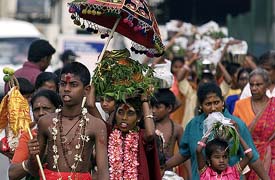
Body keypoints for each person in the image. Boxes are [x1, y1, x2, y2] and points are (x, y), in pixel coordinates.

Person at [163, 82, 269, 180]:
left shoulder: (236, 124)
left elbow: (253, 157)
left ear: (223, 102)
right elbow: (184, 153)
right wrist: (163, 167)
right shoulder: (193, 124)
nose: (213, 108)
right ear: (200, 106)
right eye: (208, 104)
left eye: (216, 102)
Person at [25, 62, 109, 179]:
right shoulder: (45, 122)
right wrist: (33, 156)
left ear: (86, 90)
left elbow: (103, 171)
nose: (67, 89)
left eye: (73, 85)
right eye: (63, 84)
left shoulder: (96, 125)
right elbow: (34, 170)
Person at [8, 89, 62, 180]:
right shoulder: (29, 136)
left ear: (58, 109)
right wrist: (30, 163)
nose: (41, 113)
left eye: (46, 108)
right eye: (36, 110)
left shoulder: (71, 131)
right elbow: (12, 174)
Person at [107, 94, 162, 180]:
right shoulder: (110, 133)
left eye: (130, 113)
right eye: (120, 112)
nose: (124, 118)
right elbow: (91, 106)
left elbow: (150, 134)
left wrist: (144, 101)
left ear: (139, 117)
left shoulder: (141, 136)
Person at [150, 88, 187, 179]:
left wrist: (191, 176)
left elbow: (185, 153)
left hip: (168, 173)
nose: (153, 110)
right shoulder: (148, 126)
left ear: (169, 108)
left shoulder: (177, 128)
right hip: (150, 170)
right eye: (152, 107)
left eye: (158, 107)